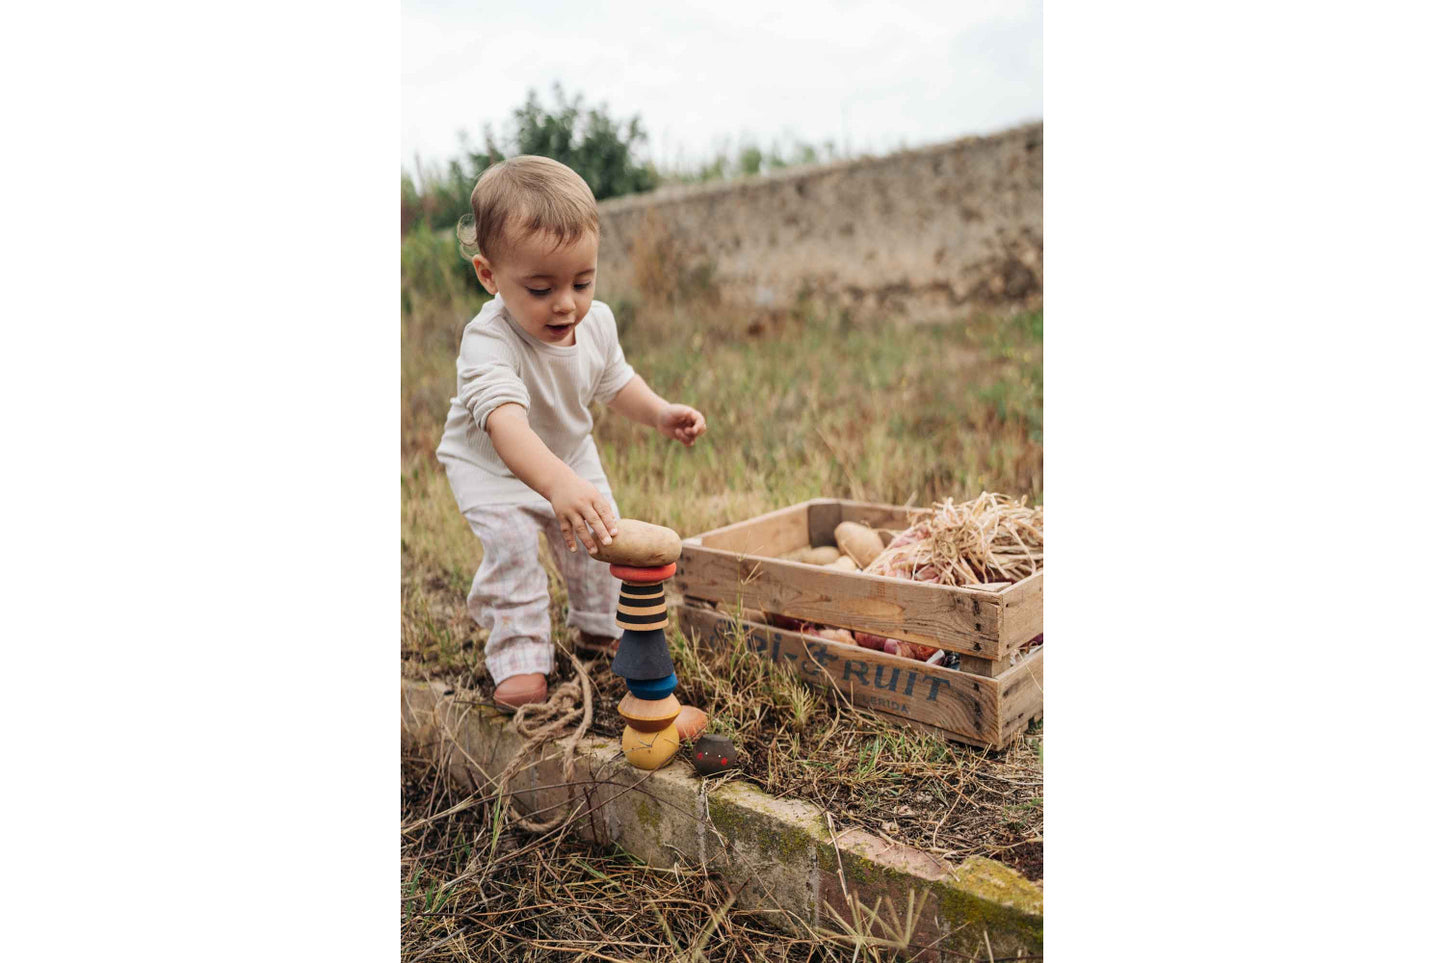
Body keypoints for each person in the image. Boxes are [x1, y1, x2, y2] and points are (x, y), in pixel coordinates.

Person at [435, 155, 707, 710]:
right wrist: (557, 485)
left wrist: (659, 413)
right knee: (512, 550)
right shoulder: (488, 341)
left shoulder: (596, 322)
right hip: (491, 468)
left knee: (600, 536)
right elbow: (505, 424)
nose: (566, 304)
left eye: (582, 282)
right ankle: (519, 653)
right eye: (540, 289)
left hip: (569, 454)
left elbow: (615, 380)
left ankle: (600, 624)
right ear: (489, 275)